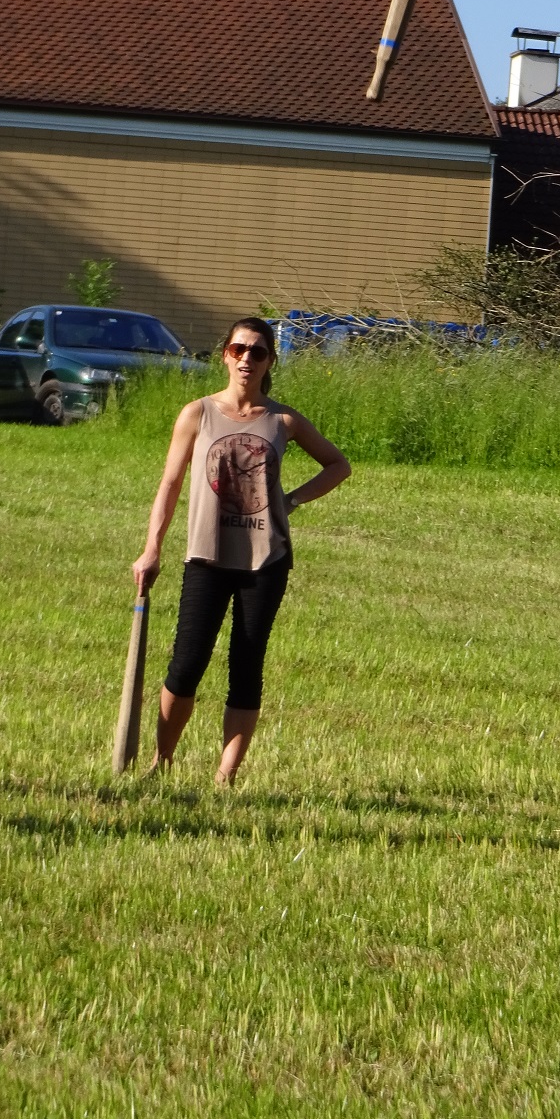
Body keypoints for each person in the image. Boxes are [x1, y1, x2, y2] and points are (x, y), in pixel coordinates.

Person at [132, 316, 350, 784]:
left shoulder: (283, 420)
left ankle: (225, 776)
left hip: (265, 560)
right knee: (187, 663)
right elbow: (170, 484)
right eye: (238, 349)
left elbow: (338, 465)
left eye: (258, 351)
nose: (247, 358)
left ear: (270, 361)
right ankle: (161, 761)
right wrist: (152, 549)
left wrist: (291, 500)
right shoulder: (197, 414)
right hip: (206, 556)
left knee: (246, 665)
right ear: (225, 355)